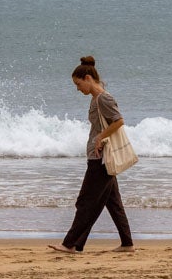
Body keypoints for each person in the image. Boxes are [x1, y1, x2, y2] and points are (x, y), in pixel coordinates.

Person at [48, 55, 135, 254]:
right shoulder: (96, 99)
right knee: (113, 203)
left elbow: (119, 121)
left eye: (78, 84)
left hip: (101, 159)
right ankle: (127, 243)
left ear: (88, 78)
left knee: (85, 202)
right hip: (99, 157)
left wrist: (100, 138)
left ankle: (70, 244)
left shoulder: (104, 98)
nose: (78, 89)